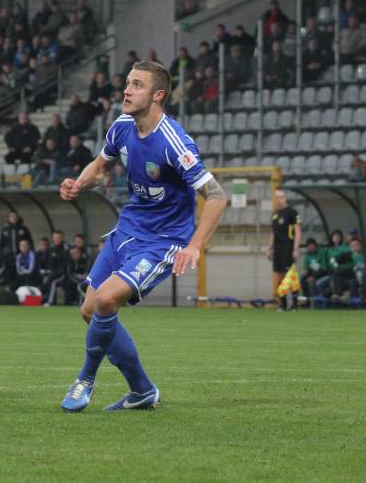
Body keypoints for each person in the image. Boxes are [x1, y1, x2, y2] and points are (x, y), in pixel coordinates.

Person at [58, 60, 227, 412]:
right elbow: (101, 164)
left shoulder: (174, 143)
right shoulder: (122, 126)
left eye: (136, 85)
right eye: (127, 83)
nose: (126, 90)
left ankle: (85, 379)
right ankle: (142, 390)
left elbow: (217, 196)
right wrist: (79, 183)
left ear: (157, 95)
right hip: (128, 230)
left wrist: (195, 247)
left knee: (105, 302)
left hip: (163, 241)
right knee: (90, 310)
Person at [267, 188, 301, 311]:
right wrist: (269, 248)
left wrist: (296, 248)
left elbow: (297, 231)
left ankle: (295, 303)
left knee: (290, 275)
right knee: (279, 275)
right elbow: (273, 233)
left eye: (281, 197)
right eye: (276, 197)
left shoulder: (292, 213)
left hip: (288, 247)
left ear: (285, 198)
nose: (278, 199)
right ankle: (283, 303)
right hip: (277, 249)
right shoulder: (274, 214)